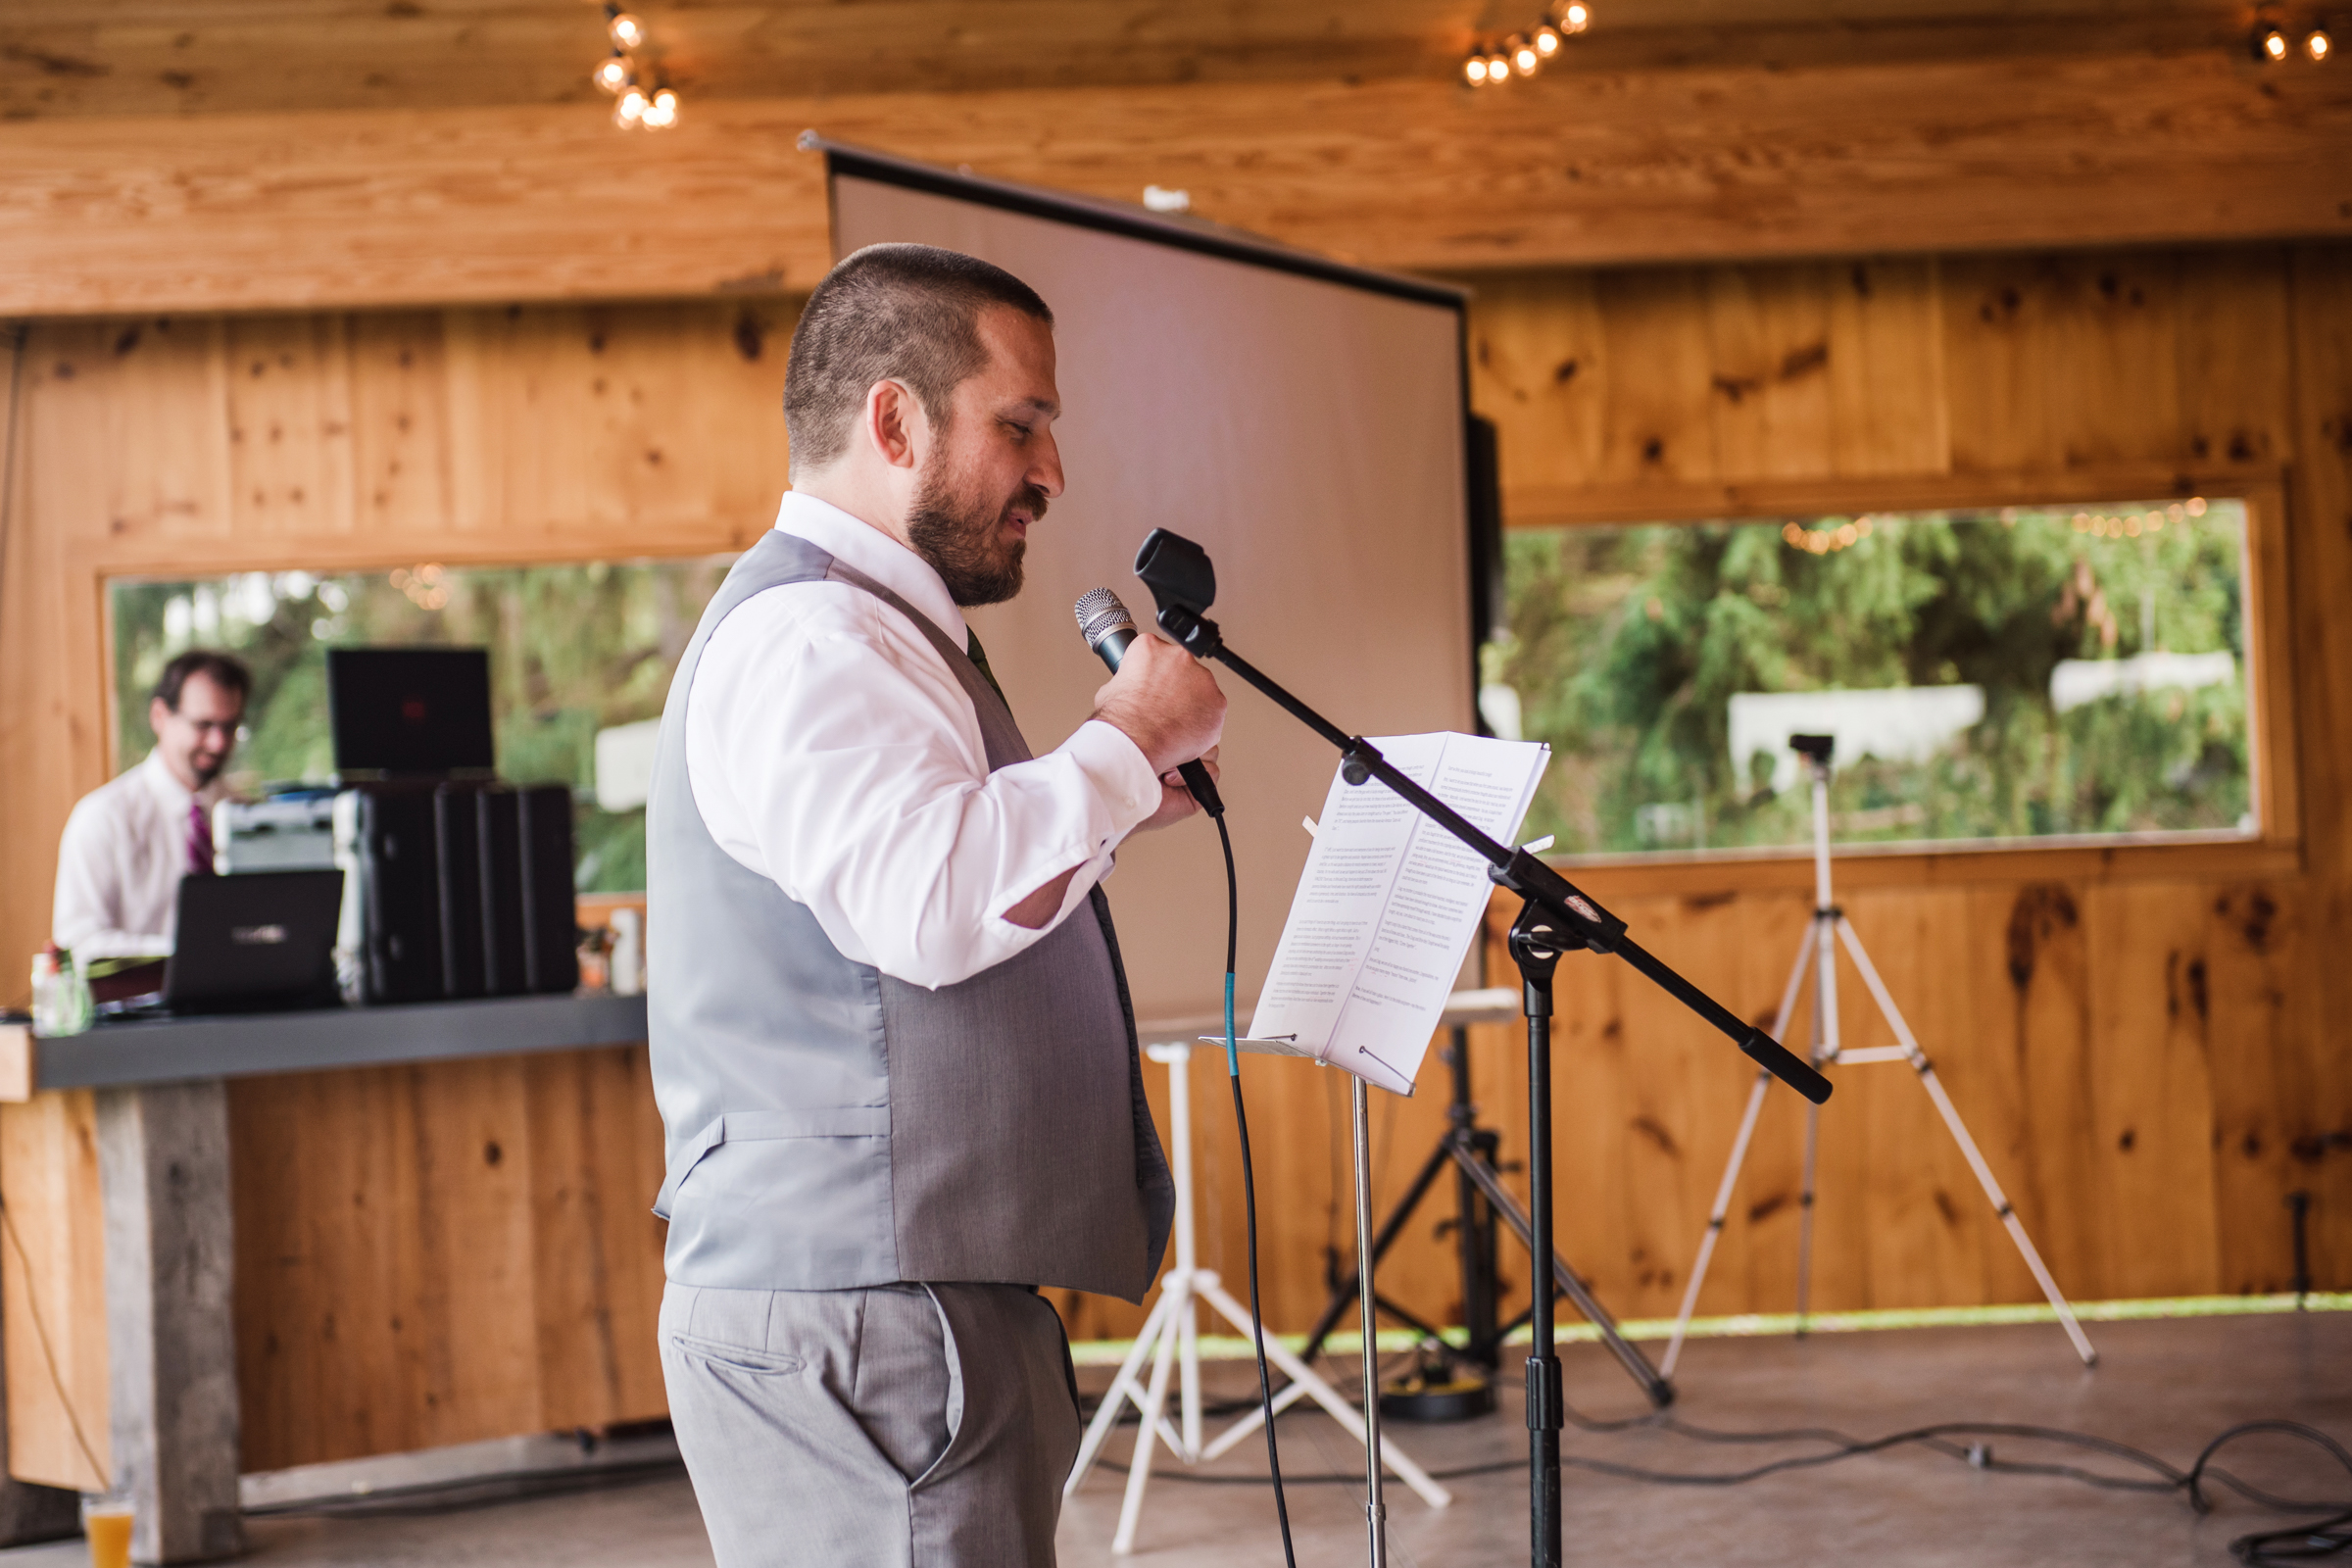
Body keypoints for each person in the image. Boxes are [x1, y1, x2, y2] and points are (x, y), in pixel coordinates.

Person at [648, 243, 1225, 1567]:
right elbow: (927, 903)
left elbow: (918, 890)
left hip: (892, 1302)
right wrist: (1122, 744)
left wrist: (1114, 800)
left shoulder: (857, 629)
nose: (1052, 474)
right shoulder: (816, 638)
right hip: (867, 1313)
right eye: (1021, 424)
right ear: (894, 421)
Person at [52, 649, 250, 959]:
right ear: (160, 716)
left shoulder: (247, 813)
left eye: (229, 727)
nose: (218, 743)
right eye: (203, 725)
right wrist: (187, 951)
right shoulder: (104, 817)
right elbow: (79, 941)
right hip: (140, 1003)